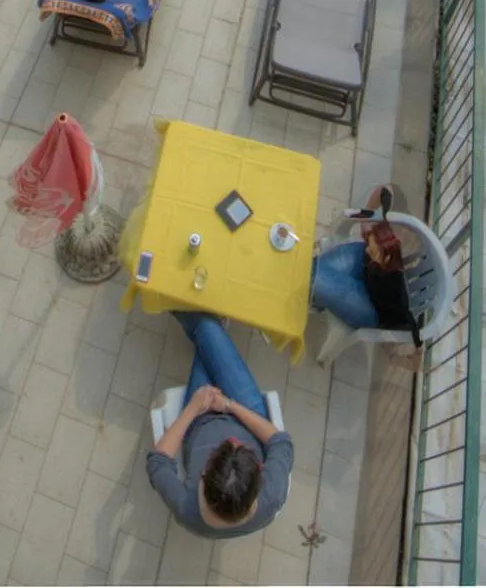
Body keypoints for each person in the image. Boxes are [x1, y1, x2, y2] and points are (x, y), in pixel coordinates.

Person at [146, 312, 294, 538]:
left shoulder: (186, 507)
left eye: (222, 449)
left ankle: (188, 312)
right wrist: (229, 405)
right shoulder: (271, 495)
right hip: (247, 413)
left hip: (199, 421)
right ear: (258, 483)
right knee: (207, 333)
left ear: (204, 475)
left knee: (205, 328)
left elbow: (157, 461)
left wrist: (193, 408)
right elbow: (280, 441)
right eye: (242, 450)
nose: (232, 441)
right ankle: (207, 323)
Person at [310, 184, 422, 351]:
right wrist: (367, 220)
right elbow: (385, 189)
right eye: (371, 240)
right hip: (364, 264)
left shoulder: (394, 286)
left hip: (372, 307)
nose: (368, 246)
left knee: (314, 278)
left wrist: (413, 347)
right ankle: (315, 298)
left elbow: (408, 327)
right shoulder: (396, 216)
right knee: (313, 272)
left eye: (374, 248)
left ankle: (310, 292)